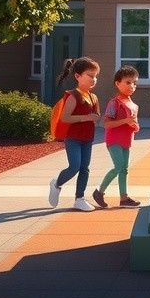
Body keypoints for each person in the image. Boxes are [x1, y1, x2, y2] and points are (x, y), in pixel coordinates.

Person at [48, 57, 101, 211]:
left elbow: (96, 115)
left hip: (87, 137)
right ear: (78, 76)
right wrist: (86, 117)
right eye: (90, 75)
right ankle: (56, 183)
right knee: (75, 166)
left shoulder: (93, 97)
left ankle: (79, 198)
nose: (94, 79)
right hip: (73, 138)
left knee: (85, 168)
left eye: (96, 76)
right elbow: (65, 118)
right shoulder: (73, 95)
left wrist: (96, 118)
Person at [93, 66, 141, 208]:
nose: (132, 86)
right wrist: (125, 121)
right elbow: (107, 124)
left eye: (134, 83)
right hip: (114, 140)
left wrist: (135, 126)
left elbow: (135, 124)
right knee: (119, 167)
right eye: (128, 82)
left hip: (127, 141)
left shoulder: (134, 106)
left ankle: (124, 198)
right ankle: (99, 192)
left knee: (124, 169)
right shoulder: (114, 103)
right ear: (117, 83)